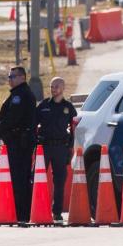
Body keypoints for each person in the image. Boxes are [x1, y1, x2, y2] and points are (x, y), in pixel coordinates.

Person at [0, 65, 37, 222]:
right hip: (17, 142)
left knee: (19, 179)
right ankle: (21, 212)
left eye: (12, 77)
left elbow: (13, 118)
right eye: (9, 77)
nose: (9, 80)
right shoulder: (18, 94)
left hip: (20, 143)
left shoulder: (21, 95)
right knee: (18, 178)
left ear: (22, 78)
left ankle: (22, 213)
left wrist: (1, 128)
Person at [35, 76, 77, 221]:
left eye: (56, 86)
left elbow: (74, 128)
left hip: (60, 147)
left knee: (59, 181)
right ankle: (36, 209)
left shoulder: (68, 108)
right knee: (37, 179)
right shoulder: (44, 105)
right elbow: (34, 122)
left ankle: (57, 212)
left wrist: (70, 148)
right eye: (52, 86)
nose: (53, 89)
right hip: (45, 147)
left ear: (63, 88)